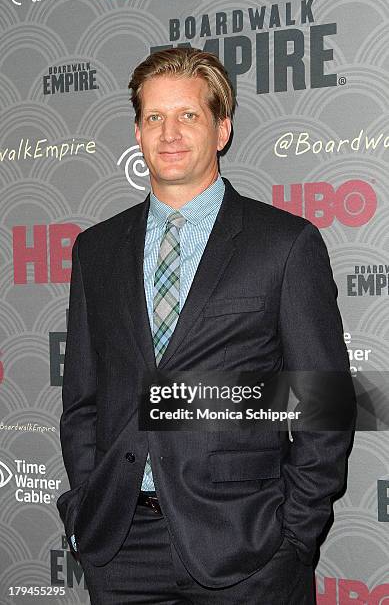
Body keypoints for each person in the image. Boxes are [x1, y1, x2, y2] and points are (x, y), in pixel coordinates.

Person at [57, 48, 355, 604]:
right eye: (154, 118)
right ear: (138, 131)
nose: (169, 133)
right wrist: (82, 507)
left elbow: (323, 403)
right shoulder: (94, 250)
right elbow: (82, 400)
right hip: (120, 547)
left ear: (222, 128)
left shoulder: (284, 244)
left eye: (188, 115)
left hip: (246, 550)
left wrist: (293, 537)